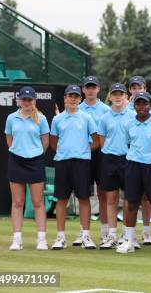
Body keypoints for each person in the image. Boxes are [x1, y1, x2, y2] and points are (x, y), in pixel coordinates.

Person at [116, 91, 151, 254]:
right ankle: (129, 241)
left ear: (150, 106)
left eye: (145, 104)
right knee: (131, 203)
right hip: (133, 165)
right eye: (138, 104)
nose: (141, 107)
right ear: (134, 105)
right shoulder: (128, 124)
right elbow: (128, 143)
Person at [50, 85, 98, 250]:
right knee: (61, 199)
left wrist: (82, 151)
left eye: (76, 97)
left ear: (80, 99)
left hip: (82, 163)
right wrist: (66, 152)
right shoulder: (57, 120)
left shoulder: (86, 118)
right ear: (65, 98)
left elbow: (96, 141)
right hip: (63, 163)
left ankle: (85, 235)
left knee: (84, 198)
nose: (73, 99)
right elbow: (53, 143)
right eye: (70, 96)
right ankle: (60, 237)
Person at [5, 86, 50, 251]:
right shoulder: (11, 118)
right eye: (23, 99)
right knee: (17, 202)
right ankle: (17, 239)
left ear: (34, 101)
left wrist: (33, 153)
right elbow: (9, 140)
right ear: (19, 101)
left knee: (38, 202)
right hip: (16, 161)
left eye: (29, 99)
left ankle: (41, 239)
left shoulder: (41, 118)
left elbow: (45, 143)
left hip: (35, 161)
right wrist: (20, 151)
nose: (26, 102)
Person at [97, 83, 136, 250]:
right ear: (110, 97)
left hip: (128, 159)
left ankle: (127, 235)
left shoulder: (133, 115)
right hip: (109, 159)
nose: (118, 97)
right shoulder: (105, 117)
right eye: (115, 94)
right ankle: (112, 234)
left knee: (129, 198)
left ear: (126, 96)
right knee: (111, 199)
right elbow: (102, 140)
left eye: (121, 94)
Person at [77, 76, 111, 247]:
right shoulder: (76, 108)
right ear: (83, 89)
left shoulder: (106, 109)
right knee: (83, 194)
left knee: (103, 193)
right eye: (87, 87)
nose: (90, 90)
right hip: (83, 154)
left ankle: (105, 232)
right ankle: (83, 232)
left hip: (102, 154)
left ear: (99, 89)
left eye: (93, 87)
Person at [125, 75, 151, 245]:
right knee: (131, 198)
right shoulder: (128, 111)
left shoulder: (150, 111)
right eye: (133, 87)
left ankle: (147, 232)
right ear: (130, 90)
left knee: (148, 198)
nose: (136, 90)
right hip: (132, 160)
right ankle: (129, 236)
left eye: (139, 87)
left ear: (145, 88)